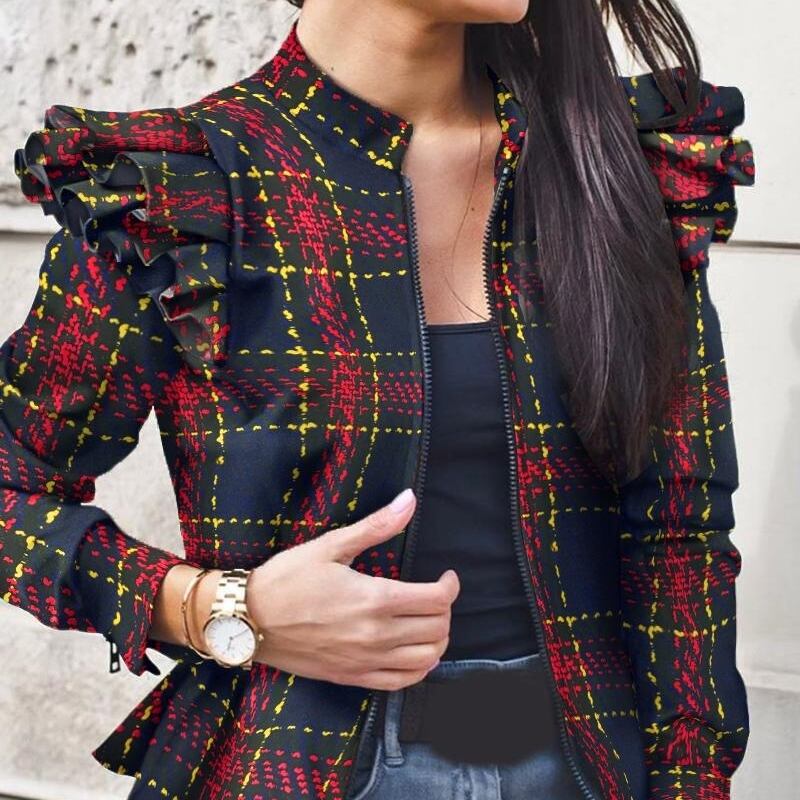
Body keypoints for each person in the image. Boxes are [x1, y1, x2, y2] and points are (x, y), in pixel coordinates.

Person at [0, 1, 755, 798]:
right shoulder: (183, 189)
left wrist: (691, 780)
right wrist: (220, 608)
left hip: (587, 769)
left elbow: (680, 530)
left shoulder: (610, 163)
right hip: (297, 772)